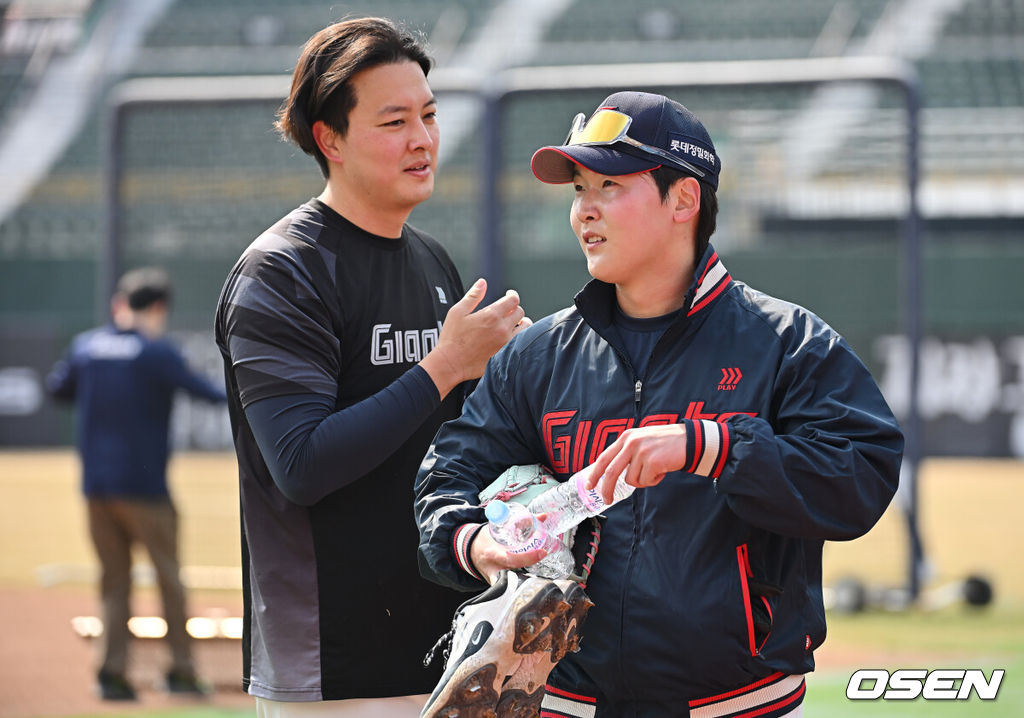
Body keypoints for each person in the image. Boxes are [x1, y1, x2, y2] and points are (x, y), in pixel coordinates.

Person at [415, 91, 904, 718]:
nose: (584, 212)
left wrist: (711, 448)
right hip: (567, 704)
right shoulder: (536, 354)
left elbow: (860, 480)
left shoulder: (788, 343)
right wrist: (475, 543)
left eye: (609, 186)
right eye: (577, 190)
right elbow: (448, 477)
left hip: (742, 705)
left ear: (684, 199)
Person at [213, 16, 530, 717]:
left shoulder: (431, 261)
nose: (422, 139)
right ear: (330, 139)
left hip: (447, 648)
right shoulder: (284, 272)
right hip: (333, 673)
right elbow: (301, 465)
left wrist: (511, 380)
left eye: (429, 115)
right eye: (394, 121)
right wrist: (444, 366)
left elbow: (456, 447)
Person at [46, 266, 226, 701]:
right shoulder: (156, 353)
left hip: (96, 489)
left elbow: (57, 389)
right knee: (169, 579)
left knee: (113, 581)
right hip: (145, 491)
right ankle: (180, 672)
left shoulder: (87, 346)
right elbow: (208, 393)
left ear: (120, 303)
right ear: (159, 308)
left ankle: (111, 676)